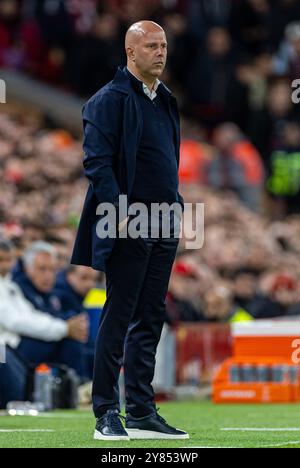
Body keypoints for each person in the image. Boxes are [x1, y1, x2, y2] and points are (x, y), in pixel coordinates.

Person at [71, 20, 188, 440]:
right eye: (152, 46)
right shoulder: (108, 100)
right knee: (119, 314)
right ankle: (105, 410)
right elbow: (96, 164)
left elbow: (166, 164)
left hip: (162, 221)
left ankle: (140, 409)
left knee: (150, 316)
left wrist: (175, 209)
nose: (161, 52)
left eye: (163, 45)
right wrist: (119, 212)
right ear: (131, 52)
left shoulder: (165, 100)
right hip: (126, 221)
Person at [0, 238, 88, 408]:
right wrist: (64, 328)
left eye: (8, 259)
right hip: (7, 349)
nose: (5, 265)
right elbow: (16, 322)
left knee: (69, 338)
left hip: (12, 349)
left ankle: (75, 387)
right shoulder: (14, 285)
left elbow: (31, 315)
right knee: (67, 340)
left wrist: (66, 328)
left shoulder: (9, 286)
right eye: (0, 260)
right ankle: (78, 388)